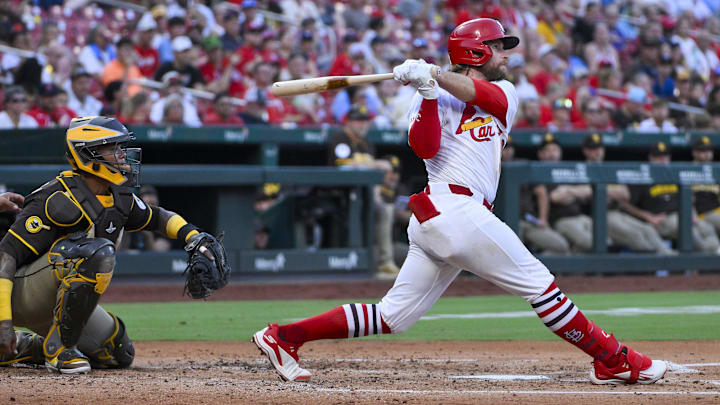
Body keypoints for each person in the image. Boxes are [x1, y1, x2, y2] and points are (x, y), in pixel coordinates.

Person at [252, 18, 668, 385]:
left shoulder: (505, 91)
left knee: (392, 317)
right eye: (498, 46)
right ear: (476, 50)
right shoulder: (427, 94)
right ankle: (613, 361)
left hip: (451, 218)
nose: (504, 54)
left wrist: (433, 74)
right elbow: (424, 146)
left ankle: (285, 336)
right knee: (542, 287)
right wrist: (428, 93)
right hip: (449, 210)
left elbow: (483, 96)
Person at [0, 116, 214, 374]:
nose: (122, 155)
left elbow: (158, 217)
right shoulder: (55, 197)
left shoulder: (119, 196)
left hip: (58, 299)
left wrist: (193, 236)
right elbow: (7, 255)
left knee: (118, 353)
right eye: (113, 147)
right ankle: (59, 349)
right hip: (20, 295)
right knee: (92, 251)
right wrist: (4, 322)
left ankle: (29, 347)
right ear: (87, 154)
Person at [327, 105, 399, 278]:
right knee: (380, 210)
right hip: (338, 193)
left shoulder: (366, 143)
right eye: (359, 121)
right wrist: (375, 164)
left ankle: (384, 264)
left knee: (385, 209)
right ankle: (380, 262)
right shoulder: (340, 138)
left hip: (362, 194)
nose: (363, 125)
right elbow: (343, 165)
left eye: (366, 121)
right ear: (349, 122)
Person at [619, 141, 720, 253]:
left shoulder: (674, 175)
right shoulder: (643, 177)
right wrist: (647, 216)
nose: (663, 160)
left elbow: (688, 198)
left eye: (665, 157)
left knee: (706, 228)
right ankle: (711, 256)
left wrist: (692, 213)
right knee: (689, 230)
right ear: (651, 158)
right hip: (663, 218)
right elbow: (624, 203)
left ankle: (715, 251)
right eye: (658, 157)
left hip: (681, 215)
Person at [690, 136, 720, 234]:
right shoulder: (688, 171)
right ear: (694, 152)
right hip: (702, 215)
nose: (707, 154)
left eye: (709, 150)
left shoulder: (716, 170)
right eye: (703, 151)